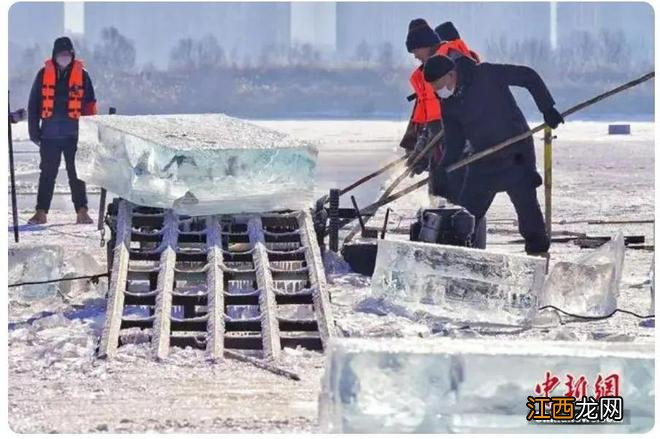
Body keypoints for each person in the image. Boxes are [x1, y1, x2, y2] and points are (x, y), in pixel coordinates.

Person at [422, 54, 564, 255]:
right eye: (435, 88)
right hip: (482, 160)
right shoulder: (449, 103)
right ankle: (459, 257)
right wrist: (445, 167)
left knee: (528, 212)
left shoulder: (485, 74)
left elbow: (528, 76)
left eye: (439, 85)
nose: (439, 91)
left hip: (515, 154)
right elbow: (455, 141)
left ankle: (538, 254)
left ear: (451, 74)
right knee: (465, 216)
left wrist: (547, 108)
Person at [27, 36, 97, 225]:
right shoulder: (43, 74)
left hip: (74, 135)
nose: (64, 57)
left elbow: (90, 106)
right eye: (61, 54)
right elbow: (33, 104)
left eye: (67, 54)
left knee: (77, 173)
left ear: (73, 55)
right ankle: (41, 212)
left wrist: (90, 134)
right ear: (55, 55)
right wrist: (34, 131)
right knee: (47, 173)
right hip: (49, 135)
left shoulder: (83, 75)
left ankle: (82, 211)